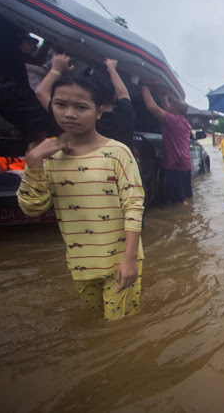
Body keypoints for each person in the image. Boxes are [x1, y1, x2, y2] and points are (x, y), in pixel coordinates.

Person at [16, 75, 145, 320]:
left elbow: (134, 206)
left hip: (121, 259)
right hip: (81, 263)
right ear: (51, 105)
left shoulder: (117, 153)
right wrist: (33, 165)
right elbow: (33, 209)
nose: (70, 114)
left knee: (118, 329)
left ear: (99, 112)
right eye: (61, 104)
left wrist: (129, 260)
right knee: (95, 323)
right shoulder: (47, 157)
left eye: (81, 107)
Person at [37, 55, 136, 150]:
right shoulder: (125, 115)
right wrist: (112, 69)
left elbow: (41, 93)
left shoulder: (71, 123)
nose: (69, 114)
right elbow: (123, 93)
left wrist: (56, 69)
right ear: (114, 96)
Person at [0, 14, 57, 146]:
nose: (33, 46)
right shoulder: (10, 48)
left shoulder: (15, 56)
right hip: (12, 92)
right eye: (29, 42)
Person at [141, 85, 192, 204]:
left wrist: (144, 86)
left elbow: (151, 107)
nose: (166, 108)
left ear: (173, 111)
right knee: (184, 199)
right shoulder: (184, 123)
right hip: (184, 165)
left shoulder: (173, 121)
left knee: (177, 203)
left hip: (175, 166)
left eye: (170, 107)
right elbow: (169, 109)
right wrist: (164, 97)